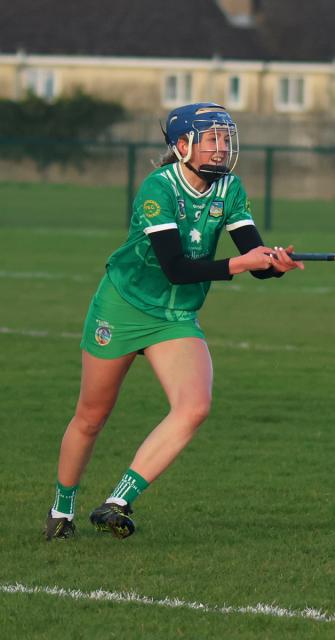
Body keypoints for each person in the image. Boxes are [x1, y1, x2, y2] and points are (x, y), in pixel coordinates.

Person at [44, 103, 303, 541]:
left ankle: (116, 502)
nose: (222, 149)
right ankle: (60, 511)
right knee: (91, 416)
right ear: (182, 146)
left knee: (194, 407)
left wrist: (272, 264)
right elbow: (176, 268)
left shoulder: (231, 189)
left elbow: (251, 256)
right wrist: (242, 263)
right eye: (212, 140)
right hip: (123, 306)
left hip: (176, 316)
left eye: (225, 139)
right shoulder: (157, 189)